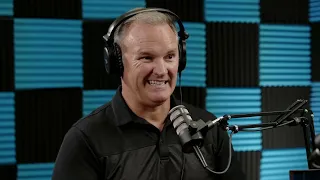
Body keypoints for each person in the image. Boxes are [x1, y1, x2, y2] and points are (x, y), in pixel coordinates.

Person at [52, 7, 246, 180]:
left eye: (170, 56)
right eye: (146, 57)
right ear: (117, 63)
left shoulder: (208, 128)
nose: (161, 70)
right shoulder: (85, 139)